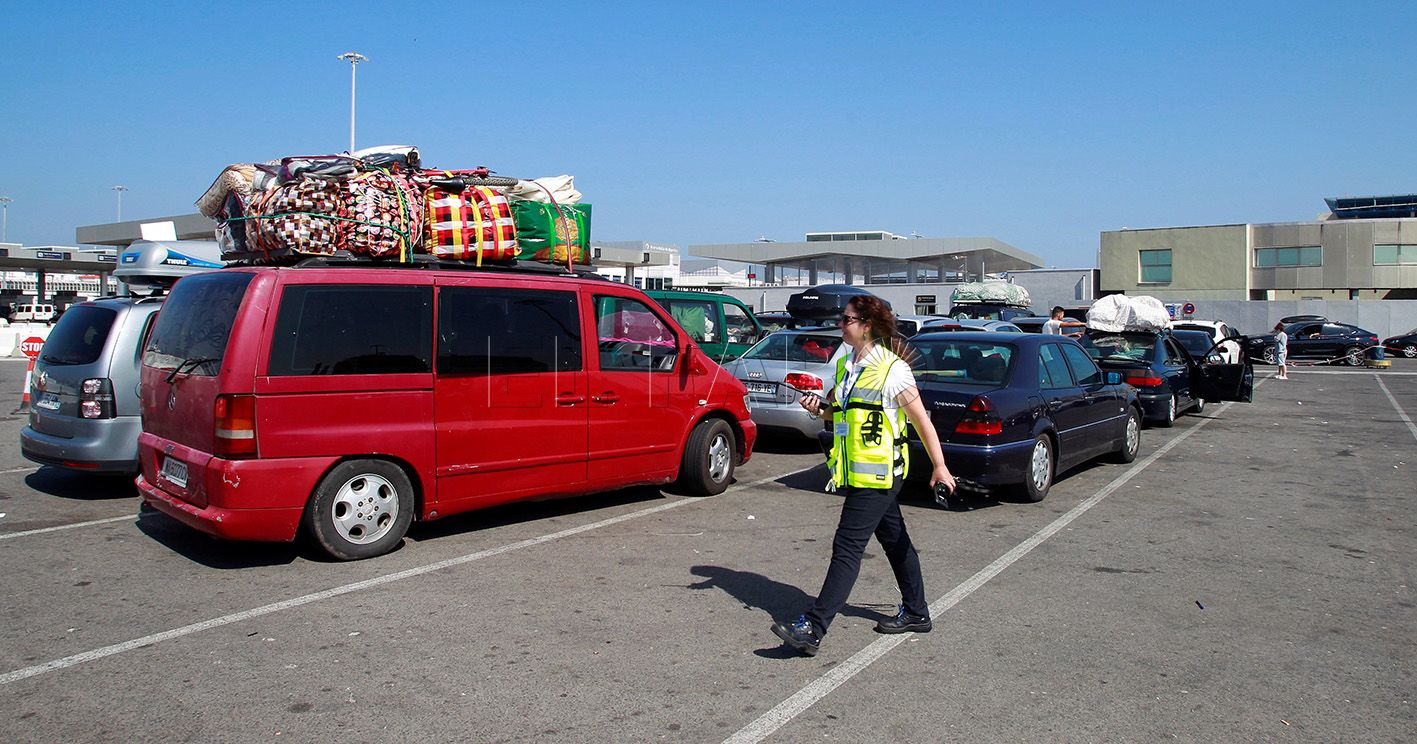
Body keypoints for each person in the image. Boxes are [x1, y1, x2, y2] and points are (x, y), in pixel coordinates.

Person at [770, 296, 956, 657]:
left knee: (847, 546)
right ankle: (917, 611)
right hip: (858, 471)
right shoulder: (846, 365)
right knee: (894, 537)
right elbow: (840, 415)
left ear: (866, 324)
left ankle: (814, 625)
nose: (841, 325)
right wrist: (819, 409)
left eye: (846, 319)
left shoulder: (893, 370)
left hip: (882, 473)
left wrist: (940, 466)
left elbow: (921, 421)